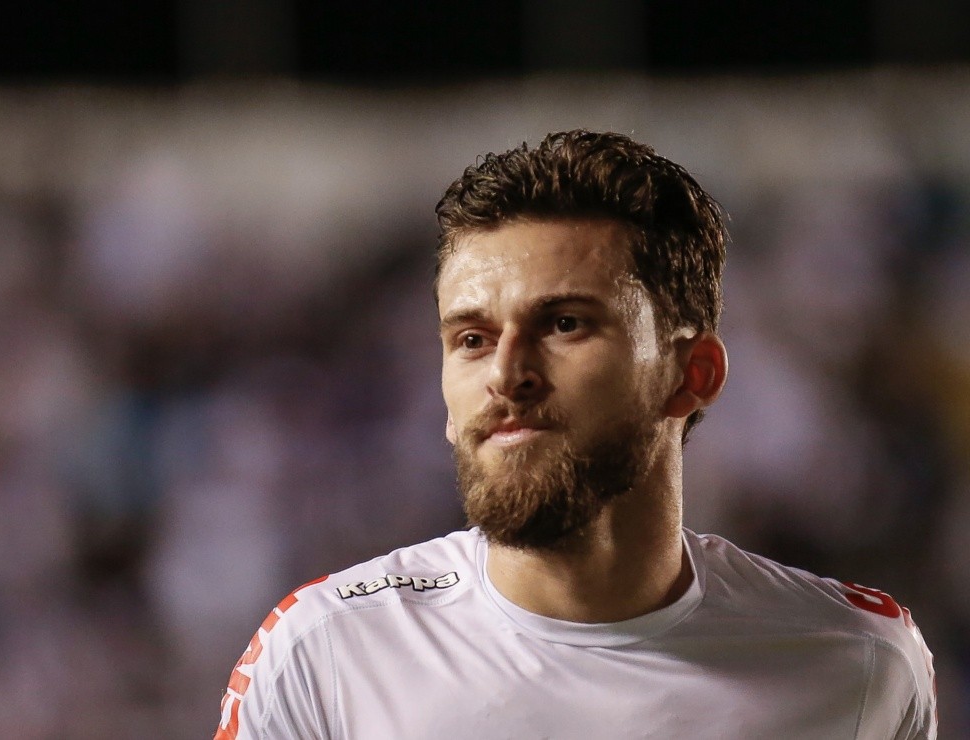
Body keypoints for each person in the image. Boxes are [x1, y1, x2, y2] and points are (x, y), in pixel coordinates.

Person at [213, 130, 937, 739]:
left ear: (693, 373)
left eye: (565, 325)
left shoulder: (857, 663)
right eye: (471, 339)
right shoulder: (326, 656)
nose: (506, 375)